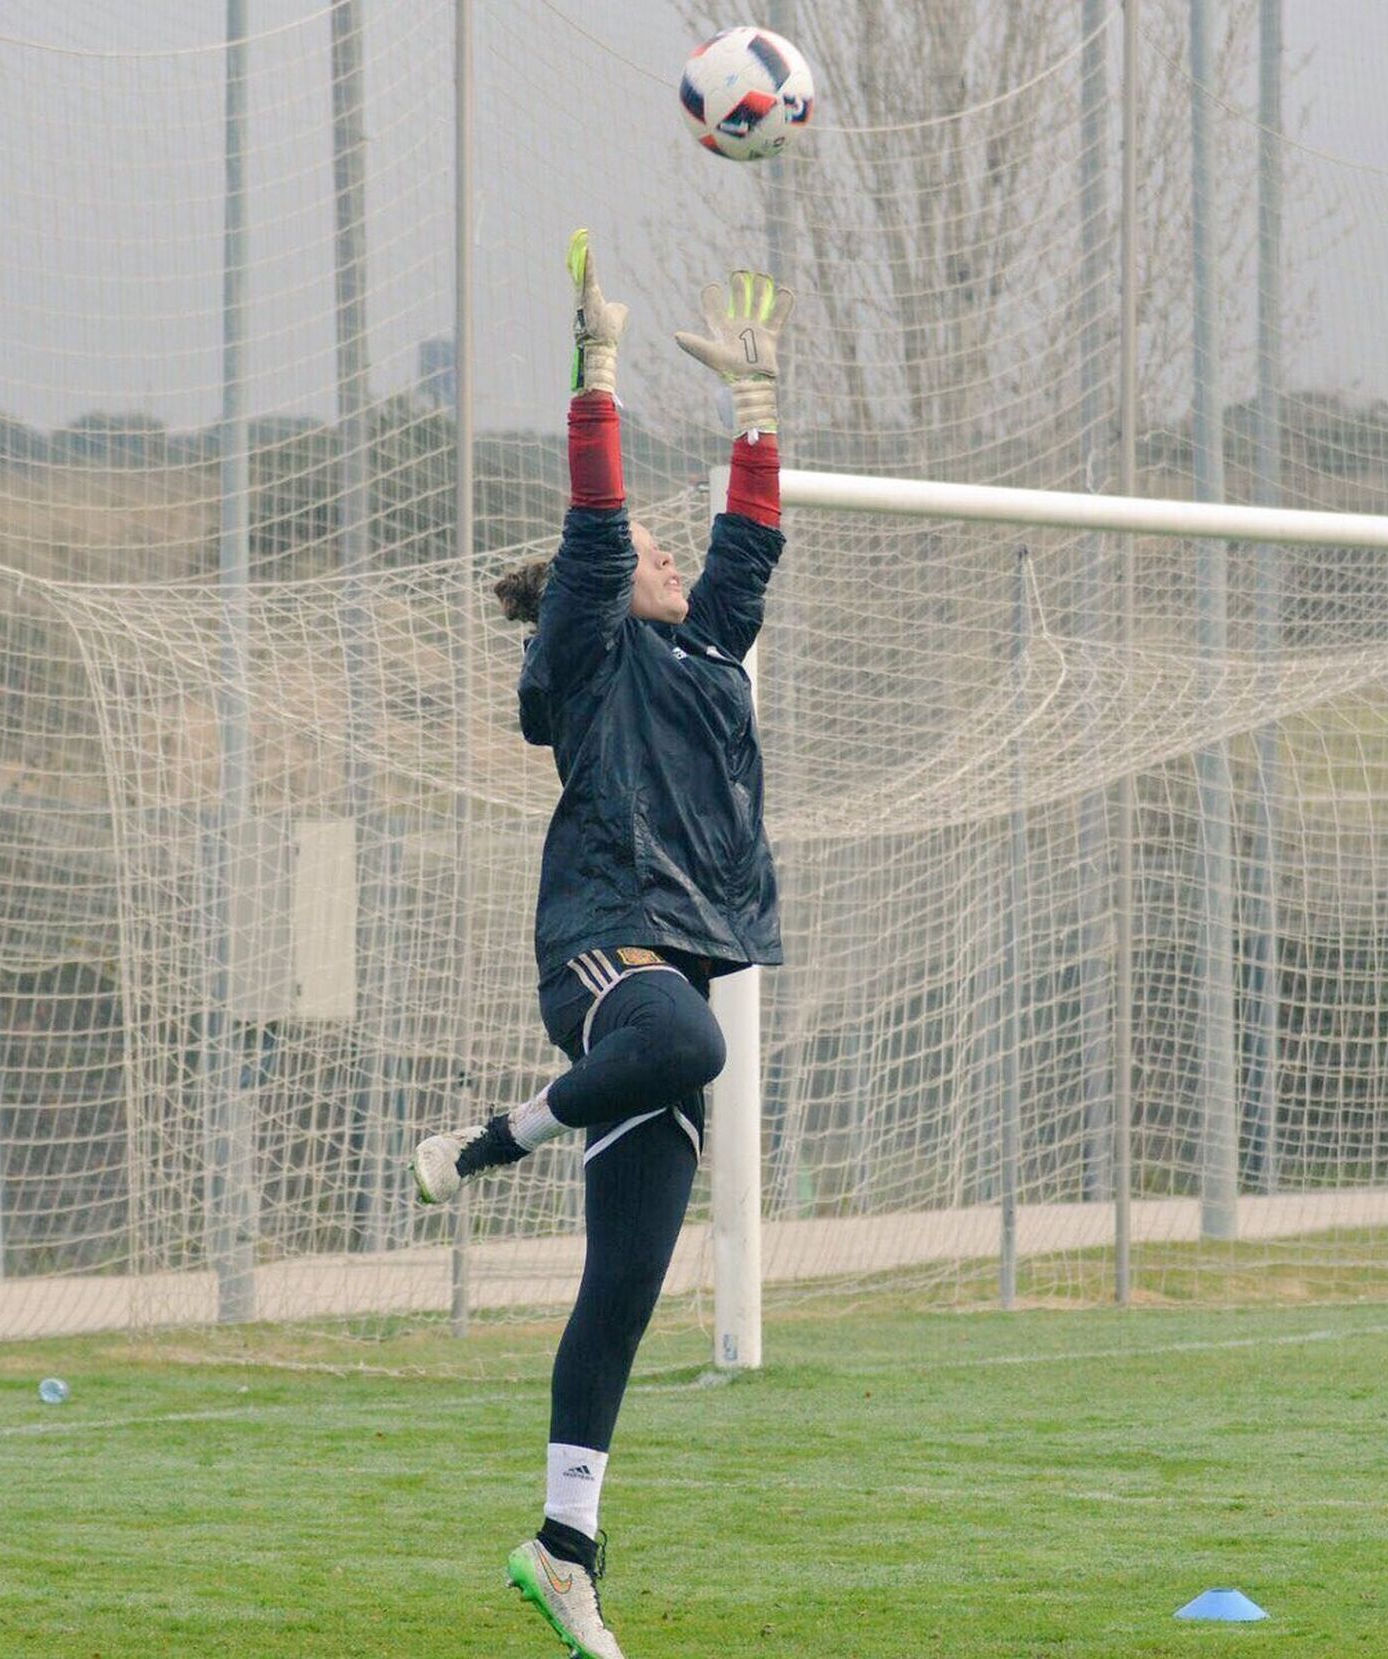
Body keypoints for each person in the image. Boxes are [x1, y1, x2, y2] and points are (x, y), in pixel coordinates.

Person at [410, 228, 793, 1659]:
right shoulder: (590, 645)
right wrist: (601, 368)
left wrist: (757, 402)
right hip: (601, 946)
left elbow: (752, 541)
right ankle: (494, 1143)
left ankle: (564, 1549)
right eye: (651, 546)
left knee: (625, 1287)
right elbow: (593, 525)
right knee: (689, 1042)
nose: (668, 553)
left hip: (676, 957)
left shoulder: (700, 648)